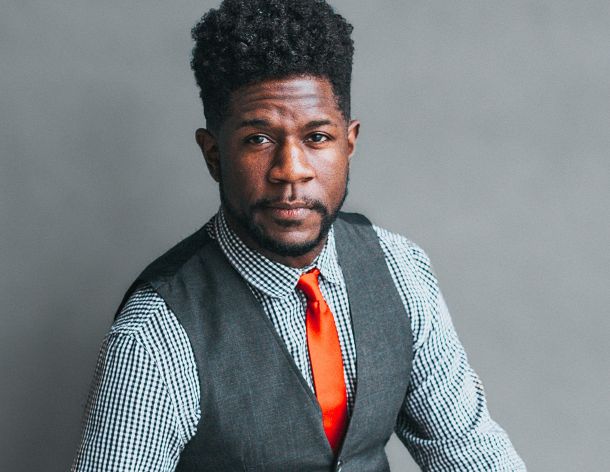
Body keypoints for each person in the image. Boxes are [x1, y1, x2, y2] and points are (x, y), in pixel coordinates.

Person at [72, 0, 526, 470]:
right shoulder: (154, 334)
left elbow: (466, 447)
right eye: (258, 139)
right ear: (213, 154)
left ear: (349, 142)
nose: (291, 170)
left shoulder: (400, 269)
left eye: (317, 137)